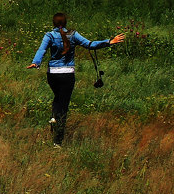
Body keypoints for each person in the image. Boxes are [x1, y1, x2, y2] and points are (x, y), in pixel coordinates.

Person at [28, 12, 125, 146]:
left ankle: (53, 117)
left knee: (58, 96)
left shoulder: (49, 35)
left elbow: (41, 50)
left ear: (53, 23)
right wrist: (109, 41)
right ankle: (57, 142)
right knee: (64, 105)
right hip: (67, 74)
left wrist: (36, 62)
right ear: (65, 23)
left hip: (53, 74)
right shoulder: (73, 35)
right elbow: (90, 44)